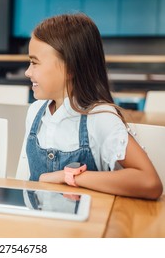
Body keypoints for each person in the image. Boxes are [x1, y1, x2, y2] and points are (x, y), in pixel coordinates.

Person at [19, 13, 162, 200]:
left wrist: (69, 176)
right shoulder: (35, 111)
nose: (27, 72)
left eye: (34, 63)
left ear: (70, 68)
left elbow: (150, 183)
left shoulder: (100, 118)